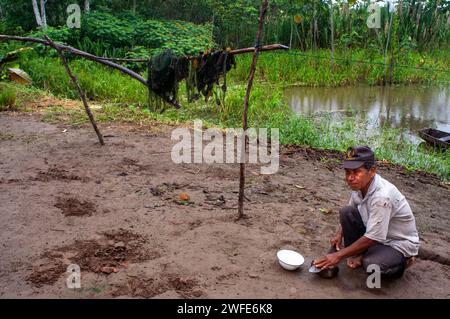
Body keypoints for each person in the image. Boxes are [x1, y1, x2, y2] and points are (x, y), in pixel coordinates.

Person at [314, 146, 419, 278]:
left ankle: (403, 261)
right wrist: (339, 234)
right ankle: (361, 252)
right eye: (347, 172)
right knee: (346, 212)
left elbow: (373, 237)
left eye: (356, 172)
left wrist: (337, 256)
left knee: (372, 265)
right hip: (377, 233)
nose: (350, 178)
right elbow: (351, 208)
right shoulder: (360, 185)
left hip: (396, 242)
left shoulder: (382, 197)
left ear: (372, 171)